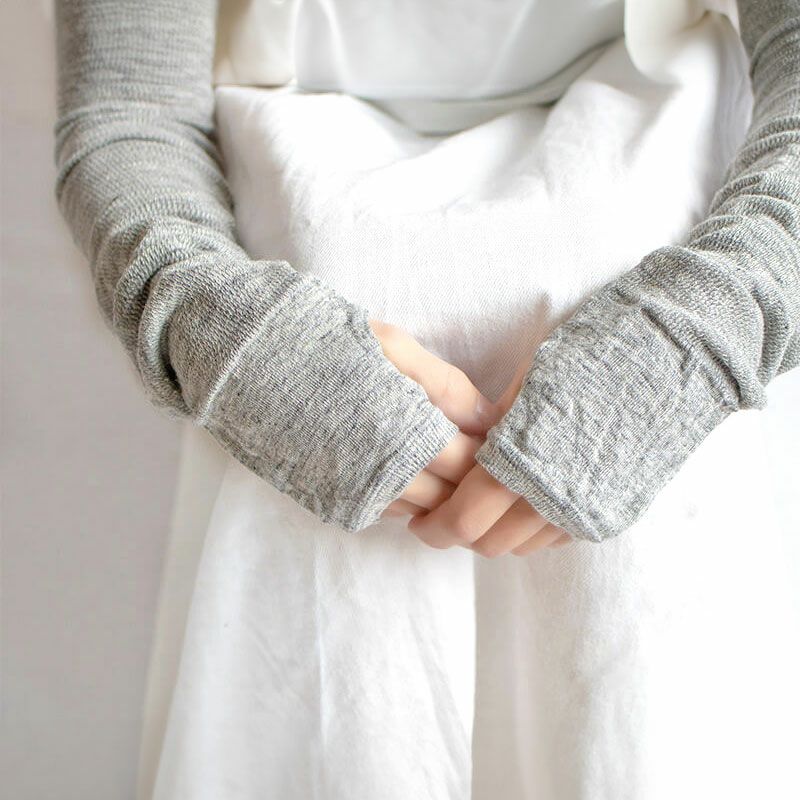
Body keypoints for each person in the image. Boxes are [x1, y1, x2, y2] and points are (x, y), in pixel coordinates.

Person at [54, 1, 800, 798]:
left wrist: (701, 329)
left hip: (658, 207)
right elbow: (129, 105)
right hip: (288, 231)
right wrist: (227, 330)